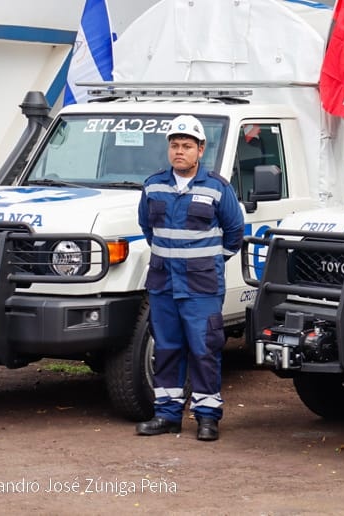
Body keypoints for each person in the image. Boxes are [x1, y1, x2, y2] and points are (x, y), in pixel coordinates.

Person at [135, 114, 245, 441]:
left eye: (186, 146)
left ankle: (207, 417)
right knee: (166, 348)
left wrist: (210, 261)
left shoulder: (216, 187)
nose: (179, 151)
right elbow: (147, 228)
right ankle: (167, 415)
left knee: (204, 350)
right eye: (174, 145)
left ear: (201, 149)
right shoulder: (153, 185)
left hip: (202, 288)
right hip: (163, 284)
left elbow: (235, 232)